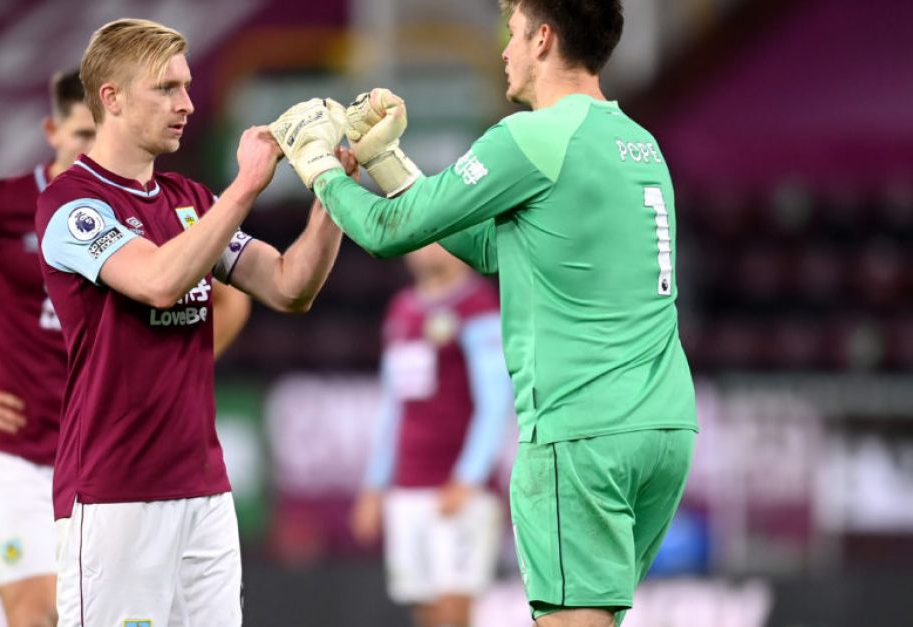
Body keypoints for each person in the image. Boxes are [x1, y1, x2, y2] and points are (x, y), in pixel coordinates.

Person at [269, 1, 699, 625]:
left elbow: (391, 234)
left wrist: (321, 171)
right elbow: (493, 246)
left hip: (579, 432)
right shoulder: (640, 143)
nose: (504, 49)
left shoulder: (532, 137)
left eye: (514, 34)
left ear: (544, 39)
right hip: (663, 428)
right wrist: (389, 164)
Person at [0, 69, 252, 627]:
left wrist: (169, 377)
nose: (90, 148)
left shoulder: (148, 206)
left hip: (115, 455)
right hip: (20, 455)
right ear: (53, 130)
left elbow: (233, 300)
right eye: (80, 135)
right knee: (37, 615)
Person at [35, 19, 345, 627]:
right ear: (112, 98)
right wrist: (249, 183)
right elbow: (157, 281)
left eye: (187, 85)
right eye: (167, 88)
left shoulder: (190, 200)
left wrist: (333, 188)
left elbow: (287, 287)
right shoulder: (71, 204)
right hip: (114, 494)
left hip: (203, 491)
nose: (188, 104)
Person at [350, 243, 513, 627]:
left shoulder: (477, 306)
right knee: (423, 609)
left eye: (436, 238)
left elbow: (495, 401)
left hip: (455, 489)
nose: (425, 250)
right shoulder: (403, 309)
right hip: (407, 486)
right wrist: (375, 485)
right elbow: (393, 405)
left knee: (454, 610)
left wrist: (468, 478)